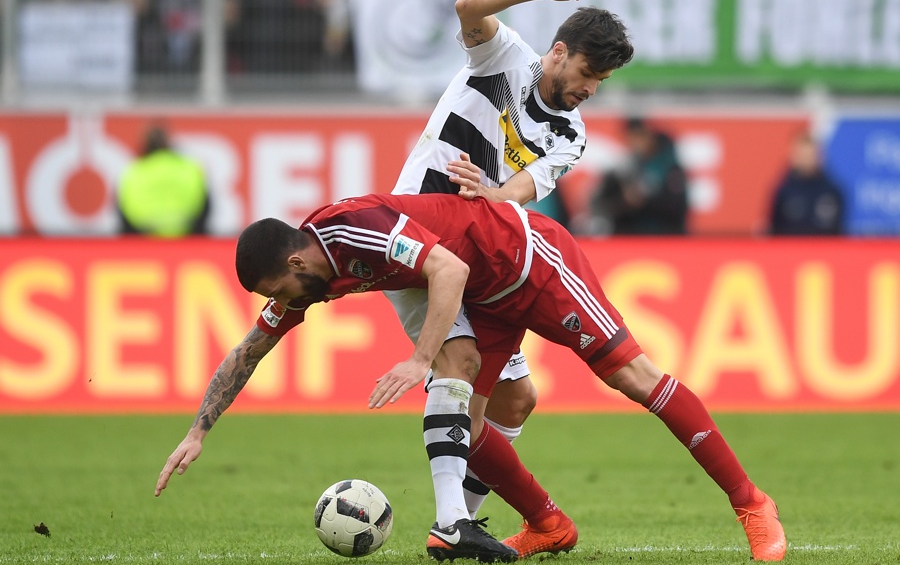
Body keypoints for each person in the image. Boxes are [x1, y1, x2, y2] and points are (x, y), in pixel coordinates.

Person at [155, 191, 787, 563]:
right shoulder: (311, 278)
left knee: (634, 377)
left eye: (282, 289)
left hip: (530, 263)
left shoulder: (354, 229)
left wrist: (417, 358)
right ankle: (543, 523)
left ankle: (752, 503)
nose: (288, 301)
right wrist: (198, 431)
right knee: (475, 411)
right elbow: (249, 350)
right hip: (487, 301)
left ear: (295, 260)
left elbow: (449, 269)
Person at [387, 0, 633, 543]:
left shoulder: (571, 135)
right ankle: (451, 525)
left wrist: (487, 195)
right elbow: (467, 7)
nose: (591, 88)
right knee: (461, 363)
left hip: (476, 255)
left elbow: (518, 194)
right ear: (559, 53)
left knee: (518, 399)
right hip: (418, 237)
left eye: (602, 80)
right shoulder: (506, 60)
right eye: (589, 72)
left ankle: (466, 520)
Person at [589, 117, 689, 235]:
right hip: (632, 236)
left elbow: (677, 206)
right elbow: (601, 203)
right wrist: (623, 202)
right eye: (631, 137)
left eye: (639, 136)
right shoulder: (624, 166)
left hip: (665, 236)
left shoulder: (669, 167)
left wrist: (645, 200)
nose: (635, 142)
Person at [116, 124, 210, 237]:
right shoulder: (188, 167)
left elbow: (123, 210)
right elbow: (205, 206)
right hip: (186, 238)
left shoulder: (135, 170)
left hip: (144, 240)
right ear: (169, 142)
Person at [769, 132, 844, 235]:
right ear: (794, 156)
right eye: (803, 155)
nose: (807, 160)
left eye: (810, 155)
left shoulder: (832, 192)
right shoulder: (783, 191)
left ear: (820, 156)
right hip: (791, 249)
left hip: (823, 249)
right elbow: (774, 230)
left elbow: (839, 232)